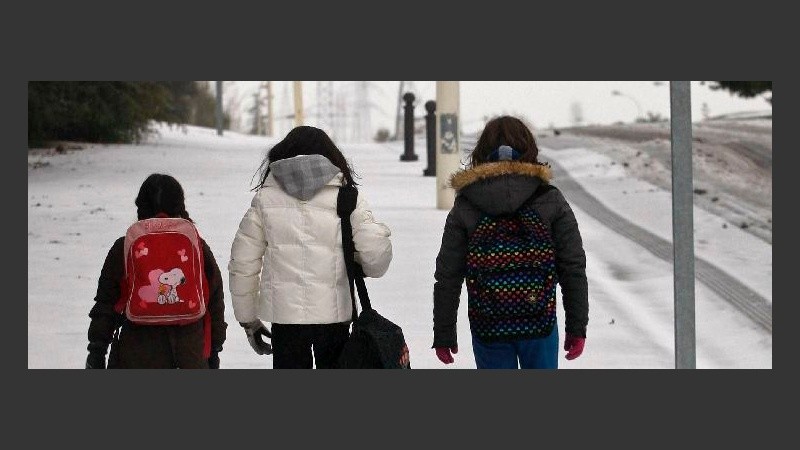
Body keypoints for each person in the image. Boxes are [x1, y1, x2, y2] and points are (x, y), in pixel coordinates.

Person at [229, 126, 393, 369]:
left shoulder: (265, 200)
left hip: (285, 321)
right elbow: (376, 253)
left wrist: (248, 320)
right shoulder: (346, 197)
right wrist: (362, 263)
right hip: (335, 316)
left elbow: (243, 263)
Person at [432, 116, 588, 369]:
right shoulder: (550, 200)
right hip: (540, 323)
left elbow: (448, 275)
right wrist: (577, 326)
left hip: (488, 325)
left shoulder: (467, 204)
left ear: (482, 153)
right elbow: (572, 267)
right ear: (529, 150)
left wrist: (444, 333)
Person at [85, 174, 227, 369]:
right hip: (190, 351)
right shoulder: (197, 246)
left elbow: (106, 303)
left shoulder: (124, 246)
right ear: (180, 206)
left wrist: (96, 350)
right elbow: (214, 299)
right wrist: (214, 349)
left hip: (136, 352)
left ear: (140, 206)